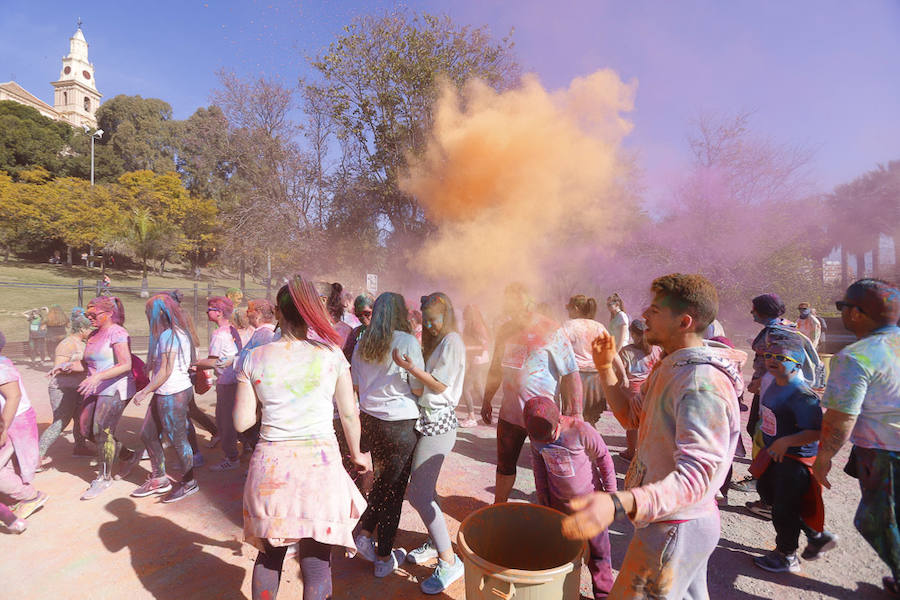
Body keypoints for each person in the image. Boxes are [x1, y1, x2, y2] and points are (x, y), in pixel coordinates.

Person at [563, 273, 746, 599]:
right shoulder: (669, 365)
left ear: (684, 321)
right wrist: (606, 368)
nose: (645, 314)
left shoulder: (701, 384)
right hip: (668, 522)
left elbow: (696, 479)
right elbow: (631, 416)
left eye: (656, 309)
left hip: (676, 527)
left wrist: (618, 503)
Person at [236, 276, 370, 600]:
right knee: (316, 564)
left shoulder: (254, 357)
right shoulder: (332, 355)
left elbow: (241, 423)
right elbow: (349, 415)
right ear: (311, 313)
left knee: (269, 557)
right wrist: (359, 455)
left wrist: (267, 403)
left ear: (278, 314)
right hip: (319, 470)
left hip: (271, 471)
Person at [812, 279, 900, 596]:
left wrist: (822, 459)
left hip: (885, 453)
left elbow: (840, 419)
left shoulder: (855, 357)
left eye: (842, 307)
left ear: (857, 313)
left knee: (873, 521)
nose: (843, 313)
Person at [481, 282, 582, 504]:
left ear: (529, 303)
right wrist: (487, 399)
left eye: (518, 304)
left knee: (552, 471)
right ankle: (499, 508)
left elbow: (571, 373)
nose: (514, 310)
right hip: (510, 415)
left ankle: (551, 515)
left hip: (542, 417)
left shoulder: (551, 330)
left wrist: (575, 413)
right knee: (505, 464)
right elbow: (496, 369)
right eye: (510, 305)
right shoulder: (505, 331)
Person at [393, 293, 466, 594]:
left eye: (434, 318)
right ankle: (436, 542)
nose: (430, 324)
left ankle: (450, 562)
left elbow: (439, 385)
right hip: (427, 420)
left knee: (419, 495)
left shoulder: (453, 342)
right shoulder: (437, 341)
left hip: (439, 425)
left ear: (446, 314)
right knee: (428, 490)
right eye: (426, 318)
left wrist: (409, 368)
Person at [750, 334, 837, 573]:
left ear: (797, 364)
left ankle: (786, 555)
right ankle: (816, 535)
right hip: (775, 454)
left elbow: (816, 431)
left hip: (794, 461)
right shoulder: (773, 382)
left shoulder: (802, 395)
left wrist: (787, 441)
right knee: (767, 492)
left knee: (783, 508)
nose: (772, 360)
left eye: (781, 357)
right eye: (769, 355)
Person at [351, 292, 423, 577]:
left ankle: (365, 533)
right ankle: (382, 556)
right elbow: (417, 386)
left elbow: (356, 383)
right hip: (399, 423)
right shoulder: (406, 341)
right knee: (392, 490)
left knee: (383, 484)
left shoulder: (362, 342)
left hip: (371, 420)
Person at [525, 396, 617, 599]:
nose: (547, 442)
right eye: (541, 441)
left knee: (599, 554)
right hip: (559, 505)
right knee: (562, 553)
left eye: (550, 436)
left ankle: (604, 594)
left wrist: (611, 496)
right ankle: (564, 592)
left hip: (591, 504)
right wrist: (542, 494)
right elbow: (538, 465)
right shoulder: (536, 437)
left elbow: (604, 458)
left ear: (559, 420)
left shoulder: (580, 430)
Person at [129, 294, 200, 503]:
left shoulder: (170, 335)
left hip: (173, 393)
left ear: (159, 313)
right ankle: (159, 478)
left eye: (148, 312)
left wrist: (144, 391)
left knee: (178, 439)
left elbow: (166, 372)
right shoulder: (171, 334)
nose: (146, 316)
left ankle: (189, 483)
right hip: (166, 392)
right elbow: (164, 366)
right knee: (148, 434)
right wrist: (150, 366)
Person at [72, 296, 136, 500]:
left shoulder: (117, 332)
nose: (89, 318)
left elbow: (126, 364)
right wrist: (64, 366)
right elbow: (88, 364)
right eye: (87, 314)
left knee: (102, 430)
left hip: (114, 388)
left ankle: (104, 477)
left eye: (93, 314)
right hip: (95, 387)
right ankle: (128, 455)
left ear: (108, 314)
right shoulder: (94, 333)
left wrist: (98, 377)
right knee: (86, 430)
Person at [0, 331, 48, 523]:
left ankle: (30, 496)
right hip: (10, 420)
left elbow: (14, 396)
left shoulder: (1, 368)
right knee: (8, 463)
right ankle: (20, 494)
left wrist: (3, 429)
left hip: (13, 421)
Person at [193, 297, 241, 472]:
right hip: (235, 379)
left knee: (224, 421)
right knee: (232, 418)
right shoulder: (232, 329)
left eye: (209, 310)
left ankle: (232, 457)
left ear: (219, 313)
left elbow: (213, 362)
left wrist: (193, 363)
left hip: (226, 381)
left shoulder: (219, 334)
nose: (207, 313)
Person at [40, 313, 93, 460]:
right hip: (63, 389)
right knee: (61, 421)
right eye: (90, 328)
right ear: (82, 329)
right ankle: (37, 455)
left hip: (77, 388)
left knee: (79, 418)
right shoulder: (67, 344)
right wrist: (79, 367)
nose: (92, 331)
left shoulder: (83, 343)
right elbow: (59, 367)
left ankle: (80, 447)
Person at [616, 319, 663, 462]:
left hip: (633, 393)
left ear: (633, 334)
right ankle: (647, 452)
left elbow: (619, 375)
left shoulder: (626, 351)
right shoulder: (656, 349)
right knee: (648, 423)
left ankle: (631, 452)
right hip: (652, 390)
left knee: (632, 424)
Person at [562, 294, 609, 425]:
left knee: (572, 419)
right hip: (596, 379)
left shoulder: (569, 325)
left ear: (576, 308)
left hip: (575, 377)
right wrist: (623, 376)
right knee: (590, 419)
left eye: (569, 309)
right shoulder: (599, 326)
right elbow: (611, 352)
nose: (568, 312)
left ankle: (575, 445)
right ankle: (592, 444)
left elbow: (558, 348)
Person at [460, 305, 491, 428]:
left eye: (465, 314)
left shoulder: (478, 326)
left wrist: (467, 348)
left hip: (479, 360)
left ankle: (471, 417)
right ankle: (488, 412)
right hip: (476, 360)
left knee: (465, 388)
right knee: (478, 386)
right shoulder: (470, 326)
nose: (463, 316)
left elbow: (485, 346)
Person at [342, 293, 374, 362]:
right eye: (359, 314)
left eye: (367, 313)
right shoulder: (355, 333)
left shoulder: (384, 332)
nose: (363, 318)